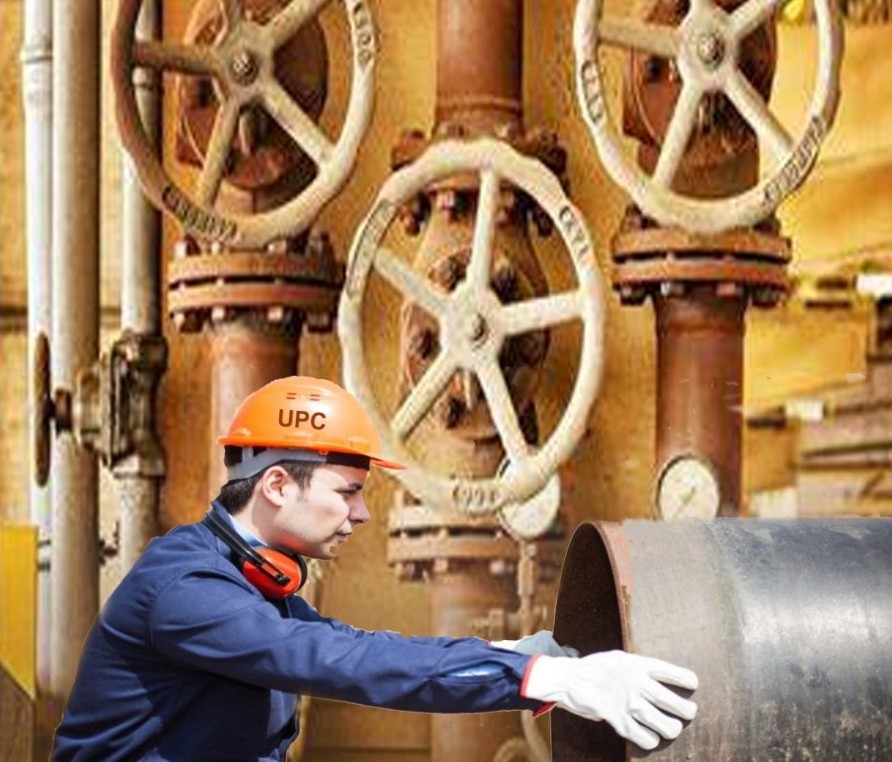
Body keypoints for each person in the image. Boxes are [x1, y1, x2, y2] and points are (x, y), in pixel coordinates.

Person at [53, 376, 698, 761]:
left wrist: (511, 657)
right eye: (347, 492)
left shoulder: (255, 588)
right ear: (276, 485)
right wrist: (539, 676)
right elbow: (344, 663)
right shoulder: (186, 589)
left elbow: (361, 648)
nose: (361, 514)